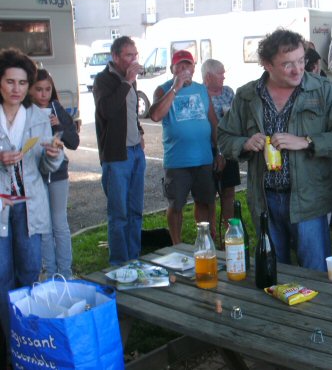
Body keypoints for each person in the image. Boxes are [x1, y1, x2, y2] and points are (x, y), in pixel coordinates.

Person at [218, 29, 332, 271]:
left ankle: (316, 311)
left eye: (301, 61)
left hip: (309, 199)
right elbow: (224, 136)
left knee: (315, 272)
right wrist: (244, 143)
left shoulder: (322, 90)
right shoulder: (247, 95)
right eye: (287, 65)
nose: (297, 70)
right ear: (266, 65)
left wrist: (307, 141)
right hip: (265, 200)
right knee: (273, 271)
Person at [0, 48, 64, 360]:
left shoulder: (39, 117)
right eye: (10, 81)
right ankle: (7, 344)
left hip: (29, 208)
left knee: (28, 274)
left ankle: (27, 343)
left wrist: (54, 156)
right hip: (0, 209)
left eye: (22, 83)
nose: (16, 89)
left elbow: (45, 166)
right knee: (1, 276)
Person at [149, 50, 224, 244]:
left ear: (193, 68)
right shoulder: (163, 89)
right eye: (179, 65)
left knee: (205, 202)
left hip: (203, 158)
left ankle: (205, 239)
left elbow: (213, 122)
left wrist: (219, 152)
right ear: (172, 69)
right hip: (177, 161)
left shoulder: (201, 90)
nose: (184, 69)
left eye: (187, 65)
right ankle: (176, 244)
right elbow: (156, 115)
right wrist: (175, 88)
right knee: (176, 205)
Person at [93, 36, 146, 265]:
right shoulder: (104, 80)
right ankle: (120, 263)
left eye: (135, 55)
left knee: (135, 211)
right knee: (119, 214)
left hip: (135, 152)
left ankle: (134, 259)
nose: (133, 59)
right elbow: (107, 111)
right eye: (128, 55)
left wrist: (140, 131)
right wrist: (127, 82)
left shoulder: (130, 80)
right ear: (115, 57)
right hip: (116, 156)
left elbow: (131, 111)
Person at [30, 69, 80, 278]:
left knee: (60, 224)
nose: (43, 94)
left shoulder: (56, 108)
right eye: (39, 89)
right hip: (36, 176)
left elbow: (74, 141)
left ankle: (66, 273)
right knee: (45, 228)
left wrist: (58, 125)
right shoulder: (26, 112)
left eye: (47, 89)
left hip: (58, 175)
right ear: (30, 90)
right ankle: (50, 274)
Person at [303, 48, 332, 233]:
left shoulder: (324, 87)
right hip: (318, 152)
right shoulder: (322, 86)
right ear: (315, 66)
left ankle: (331, 220)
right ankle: (328, 222)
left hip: (322, 148)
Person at [201, 58, 240, 236]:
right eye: (220, 73)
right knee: (208, 195)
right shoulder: (200, 94)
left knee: (228, 191)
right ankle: (211, 233)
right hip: (205, 149)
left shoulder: (228, 92)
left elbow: (236, 117)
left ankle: (229, 232)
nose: (224, 77)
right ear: (208, 76)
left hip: (227, 146)